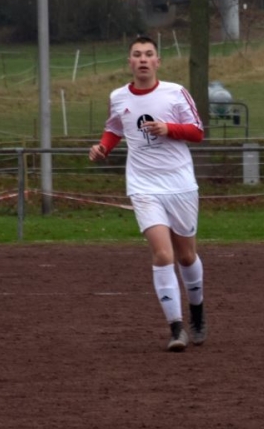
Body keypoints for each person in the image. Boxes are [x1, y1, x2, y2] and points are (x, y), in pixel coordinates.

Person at [89, 35, 207, 352]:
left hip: (180, 184)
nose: (143, 59)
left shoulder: (175, 92)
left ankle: (197, 312)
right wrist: (103, 147)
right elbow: (115, 128)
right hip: (143, 186)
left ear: (158, 61)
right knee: (163, 254)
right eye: (137, 54)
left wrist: (169, 128)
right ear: (129, 62)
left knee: (186, 256)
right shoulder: (118, 97)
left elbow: (197, 131)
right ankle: (176, 328)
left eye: (148, 54)